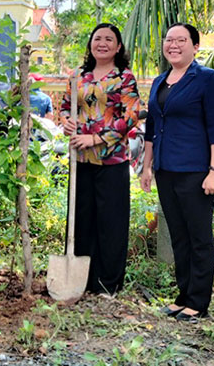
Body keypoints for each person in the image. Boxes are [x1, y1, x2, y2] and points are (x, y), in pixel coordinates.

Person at [139, 23, 214, 323]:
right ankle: (183, 296)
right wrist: (147, 166)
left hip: (195, 172)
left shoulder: (206, 79)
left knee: (198, 237)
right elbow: (152, 127)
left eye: (181, 40)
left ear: (195, 47)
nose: (173, 45)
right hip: (166, 169)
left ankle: (198, 302)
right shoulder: (159, 82)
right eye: (169, 40)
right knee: (178, 236)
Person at [60, 23, 141, 295]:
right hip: (80, 161)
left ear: (118, 47)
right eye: (97, 38)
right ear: (90, 44)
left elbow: (130, 116)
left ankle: (107, 283)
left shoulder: (124, 78)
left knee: (111, 223)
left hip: (111, 161)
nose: (102, 43)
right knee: (81, 220)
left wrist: (95, 138)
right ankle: (81, 280)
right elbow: (63, 106)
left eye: (109, 39)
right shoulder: (78, 76)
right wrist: (66, 121)